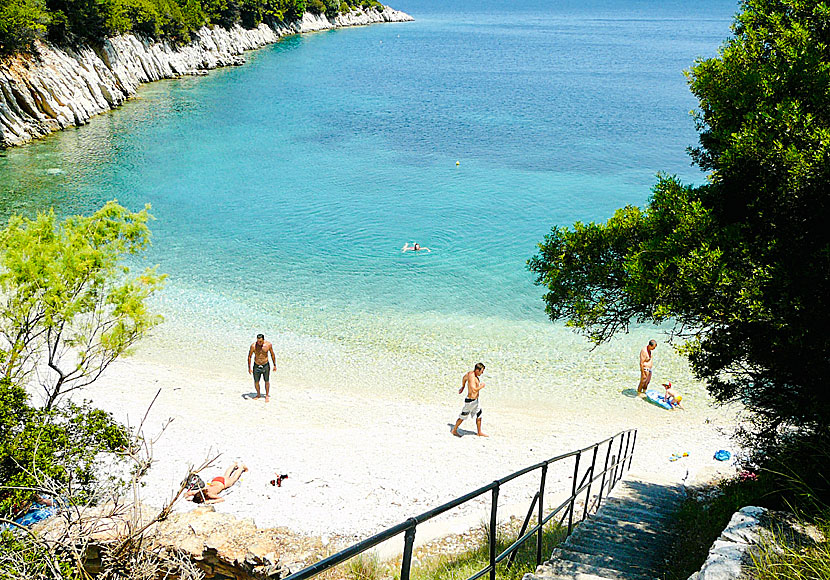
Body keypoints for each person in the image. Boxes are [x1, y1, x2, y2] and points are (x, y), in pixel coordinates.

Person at [451, 363, 488, 437]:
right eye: (482, 371)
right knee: (462, 417)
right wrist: (481, 386)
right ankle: (454, 430)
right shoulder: (472, 377)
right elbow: (474, 390)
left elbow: (464, 378)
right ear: (477, 370)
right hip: (470, 402)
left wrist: (463, 386)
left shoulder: (469, 373)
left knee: (479, 414)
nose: (482, 373)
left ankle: (479, 432)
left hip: (475, 401)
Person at [248, 333, 277, 402]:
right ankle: (258, 394)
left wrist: (274, 365)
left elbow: (272, 355)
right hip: (256, 365)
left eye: (260, 341)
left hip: (265, 365)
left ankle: (267, 395)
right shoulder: (253, 346)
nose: (259, 343)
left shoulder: (268, 345)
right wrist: (249, 368)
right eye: (258, 341)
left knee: (266, 381)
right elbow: (249, 356)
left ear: (263, 340)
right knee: (256, 381)